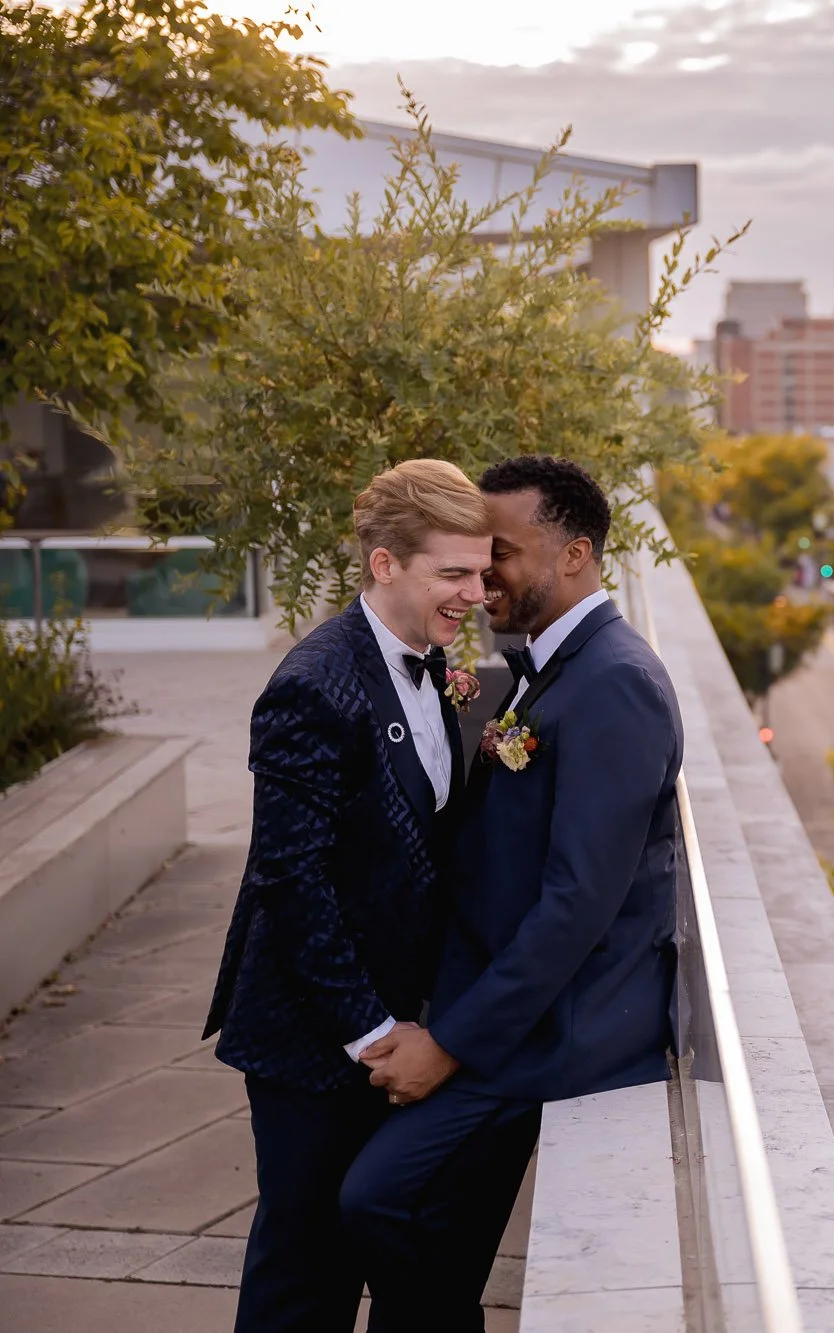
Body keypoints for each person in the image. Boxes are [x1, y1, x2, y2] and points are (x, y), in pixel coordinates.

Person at [341, 457, 686, 1330]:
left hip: (556, 1034)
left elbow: (578, 904)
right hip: (497, 1004)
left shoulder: (615, 683)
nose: (485, 570)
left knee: (377, 1196)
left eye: (503, 551)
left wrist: (449, 1044)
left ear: (574, 555)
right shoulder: (550, 666)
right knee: (438, 1242)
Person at [204, 461, 492, 1333]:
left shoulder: (433, 665)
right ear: (384, 566)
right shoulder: (313, 684)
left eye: (481, 571)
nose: (477, 592)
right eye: (455, 573)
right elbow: (292, 883)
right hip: (313, 1039)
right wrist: (375, 1035)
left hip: (402, 1024)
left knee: (391, 1253)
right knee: (305, 1274)